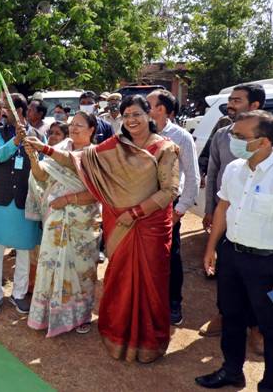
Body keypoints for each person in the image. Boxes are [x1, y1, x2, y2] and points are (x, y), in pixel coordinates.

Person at [29, 95, 179, 362]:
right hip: (118, 223)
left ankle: (147, 343)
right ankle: (118, 336)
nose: (131, 120)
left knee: (151, 284)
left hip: (149, 227)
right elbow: (78, 160)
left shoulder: (165, 148)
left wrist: (135, 212)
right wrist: (45, 149)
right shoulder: (114, 146)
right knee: (119, 279)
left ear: (149, 115)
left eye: (136, 114)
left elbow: (170, 191)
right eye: (126, 115)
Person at [196, 110, 273, 392]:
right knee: (232, 317)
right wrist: (211, 248)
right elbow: (224, 207)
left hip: (268, 265)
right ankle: (232, 371)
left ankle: (270, 387)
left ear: (263, 142)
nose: (232, 139)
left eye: (239, 136)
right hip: (233, 257)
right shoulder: (236, 168)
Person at [24, 112, 101, 337]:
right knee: (50, 264)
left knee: (82, 269)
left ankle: (80, 315)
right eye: (72, 124)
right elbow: (40, 176)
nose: (75, 128)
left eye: (80, 125)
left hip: (83, 221)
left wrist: (67, 200)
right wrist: (32, 157)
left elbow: (97, 193)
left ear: (92, 129)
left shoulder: (96, 154)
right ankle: (49, 314)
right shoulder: (62, 149)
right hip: (56, 218)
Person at [0, 93, 43, 317]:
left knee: (24, 250)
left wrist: (30, 147)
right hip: (1, 199)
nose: (5, 112)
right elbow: (0, 155)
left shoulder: (37, 136)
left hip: (25, 202)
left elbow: (42, 168)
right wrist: (16, 141)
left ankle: (18, 295)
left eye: (9, 108)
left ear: (22, 111)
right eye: (3, 108)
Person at [147, 89, 200, 326]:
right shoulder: (137, 133)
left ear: (161, 109)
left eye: (148, 104)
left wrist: (179, 211)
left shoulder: (180, 137)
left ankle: (173, 303)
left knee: (169, 256)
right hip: (140, 205)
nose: (142, 108)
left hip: (169, 207)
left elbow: (192, 176)